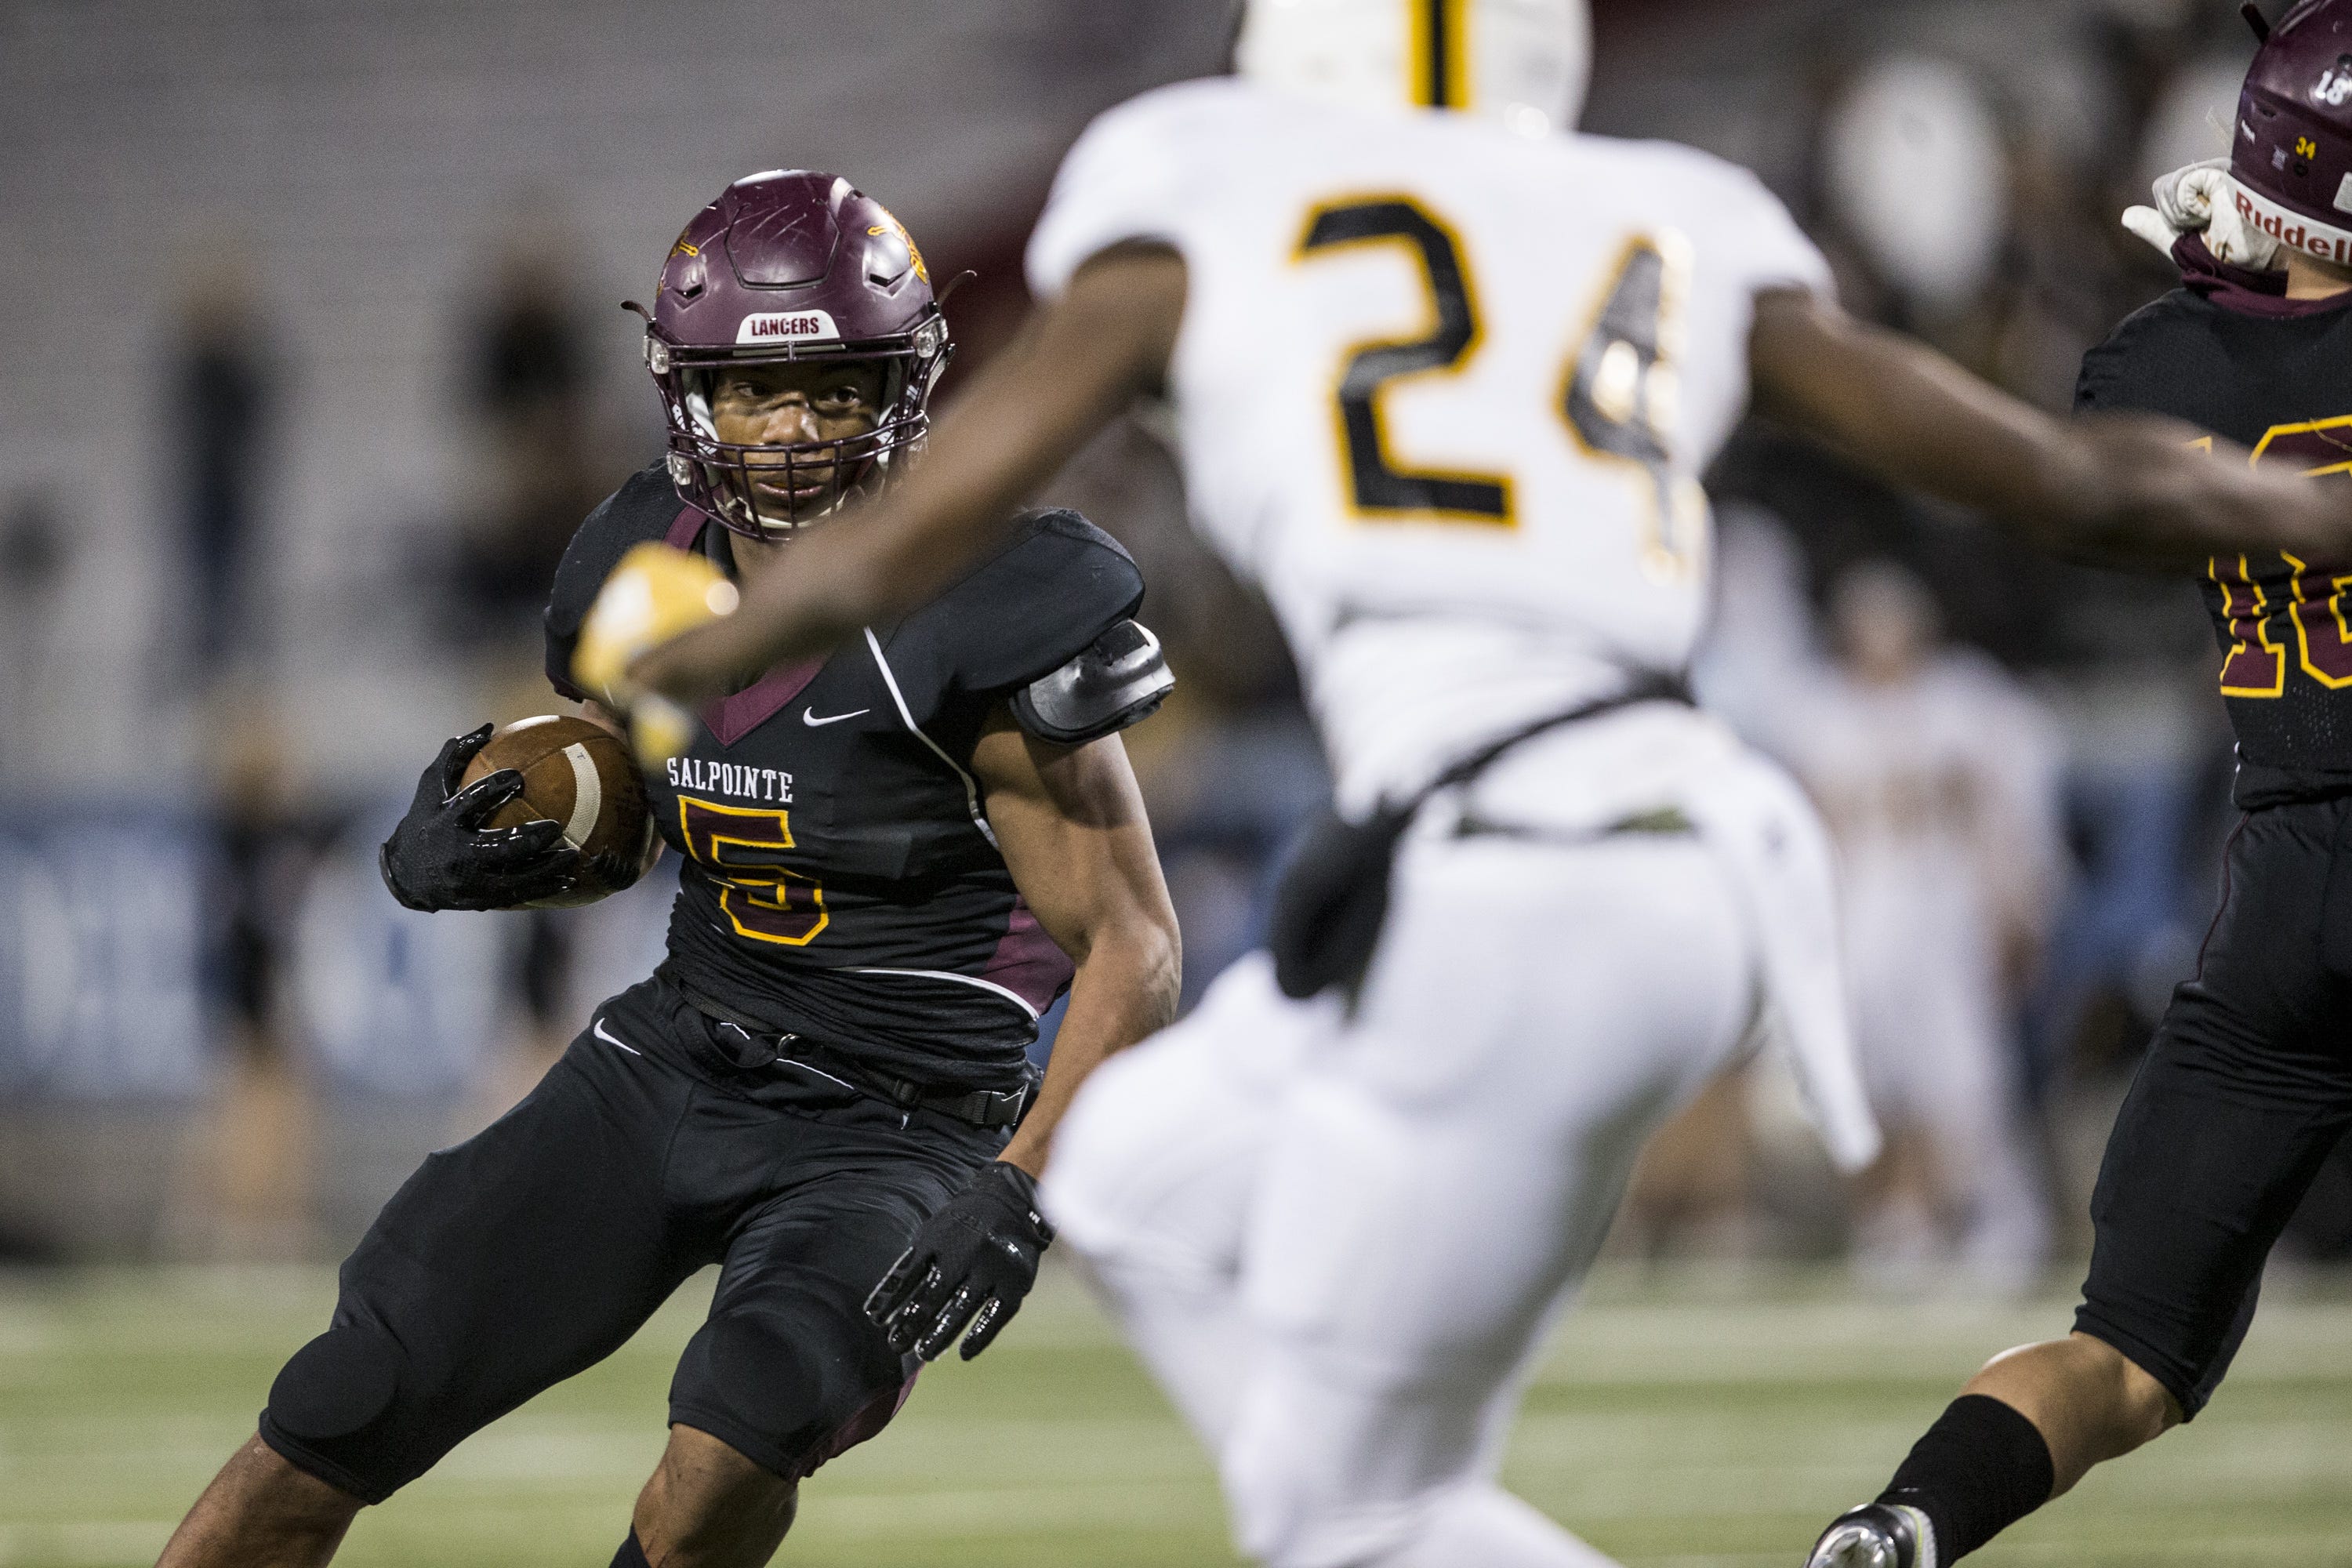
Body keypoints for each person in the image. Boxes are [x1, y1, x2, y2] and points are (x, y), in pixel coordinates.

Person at [621, 4, 2352, 1564]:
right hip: (1676, 846)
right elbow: (2061, 479)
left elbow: (923, 521)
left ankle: (1373, 1512)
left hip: (1519, 870)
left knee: (1351, 1515)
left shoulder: (1198, 185)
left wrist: (700, 646)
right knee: (1129, 1165)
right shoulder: (1671, 209)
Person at [152, 170, 1181, 1568]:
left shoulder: (992, 597)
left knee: (732, 1437)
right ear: (692, 396)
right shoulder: (639, 554)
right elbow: (631, 814)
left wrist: (1025, 1182)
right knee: (346, 1394)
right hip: (677, 1055)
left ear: (906, 386)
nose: (797, 430)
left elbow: (1135, 944)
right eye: (760, 393)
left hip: (902, 1123)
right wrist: (491, 826)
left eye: (833, 385)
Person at [1801, 5, 2352, 1562]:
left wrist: (2223, 278)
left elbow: (2093, 451)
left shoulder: (2166, 364)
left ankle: (1907, 1520)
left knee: (2122, 1352)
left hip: (2283, 900)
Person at [1789, 561, 2062, 1293]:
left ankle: (2001, 1220)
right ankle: (1900, 1220)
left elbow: (2007, 821)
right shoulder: (1822, 709)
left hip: (1944, 911)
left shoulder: (1963, 700)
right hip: (1862, 915)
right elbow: (1814, 829)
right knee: (1876, 1076)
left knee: (1963, 1074)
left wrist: (2017, 911)